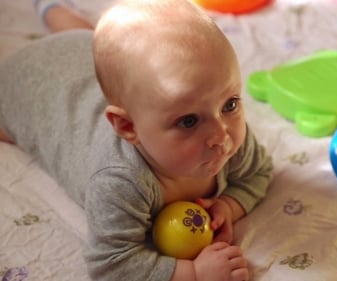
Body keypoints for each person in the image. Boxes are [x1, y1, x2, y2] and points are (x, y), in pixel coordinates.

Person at [0, 0, 274, 280]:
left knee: (94, 44)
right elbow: (110, 264)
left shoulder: (227, 139)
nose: (220, 136)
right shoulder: (119, 181)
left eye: (230, 104)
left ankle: (53, 9)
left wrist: (229, 205)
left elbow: (259, 172)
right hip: (26, 85)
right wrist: (192, 272)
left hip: (78, 52)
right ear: (128, 127)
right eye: (188, 121)